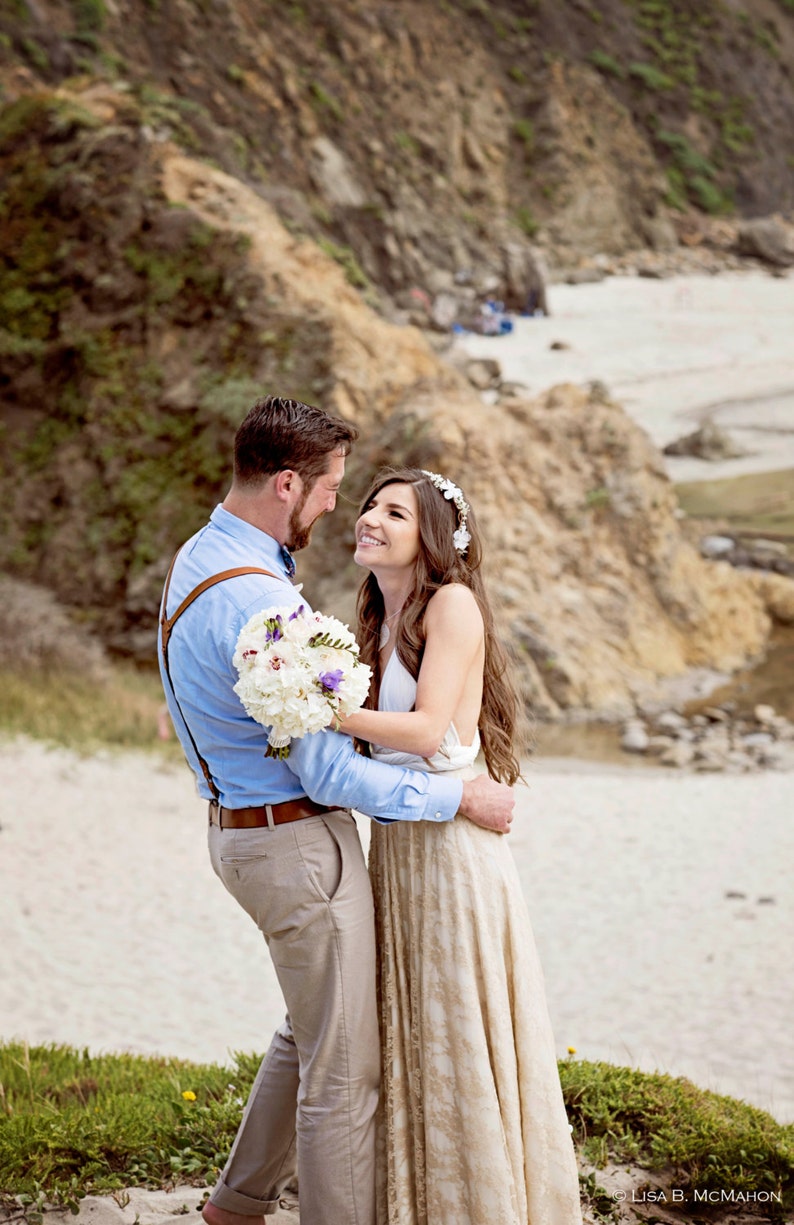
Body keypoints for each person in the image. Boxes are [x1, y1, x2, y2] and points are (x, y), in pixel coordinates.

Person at [157, 396, 515, 1225]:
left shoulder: (201, 557)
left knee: (308, 1029)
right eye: (333, 490)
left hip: (238, 830)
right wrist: (455, 793)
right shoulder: (264, 607)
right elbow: (330, 768)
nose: (337, 508)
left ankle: (238, 1205)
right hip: (293, 846)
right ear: (289, 483)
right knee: (345, 1072)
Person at [339, 467, 583, 1225]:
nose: (369, 519)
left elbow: (426, 731)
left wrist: (325, 708)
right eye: (369, 506)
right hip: (399, 850)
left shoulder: (452, 605)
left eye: (393, 511)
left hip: (450, 856)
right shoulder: (377, 617)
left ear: (431, 538)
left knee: (454, 1030)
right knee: (410, 1030)